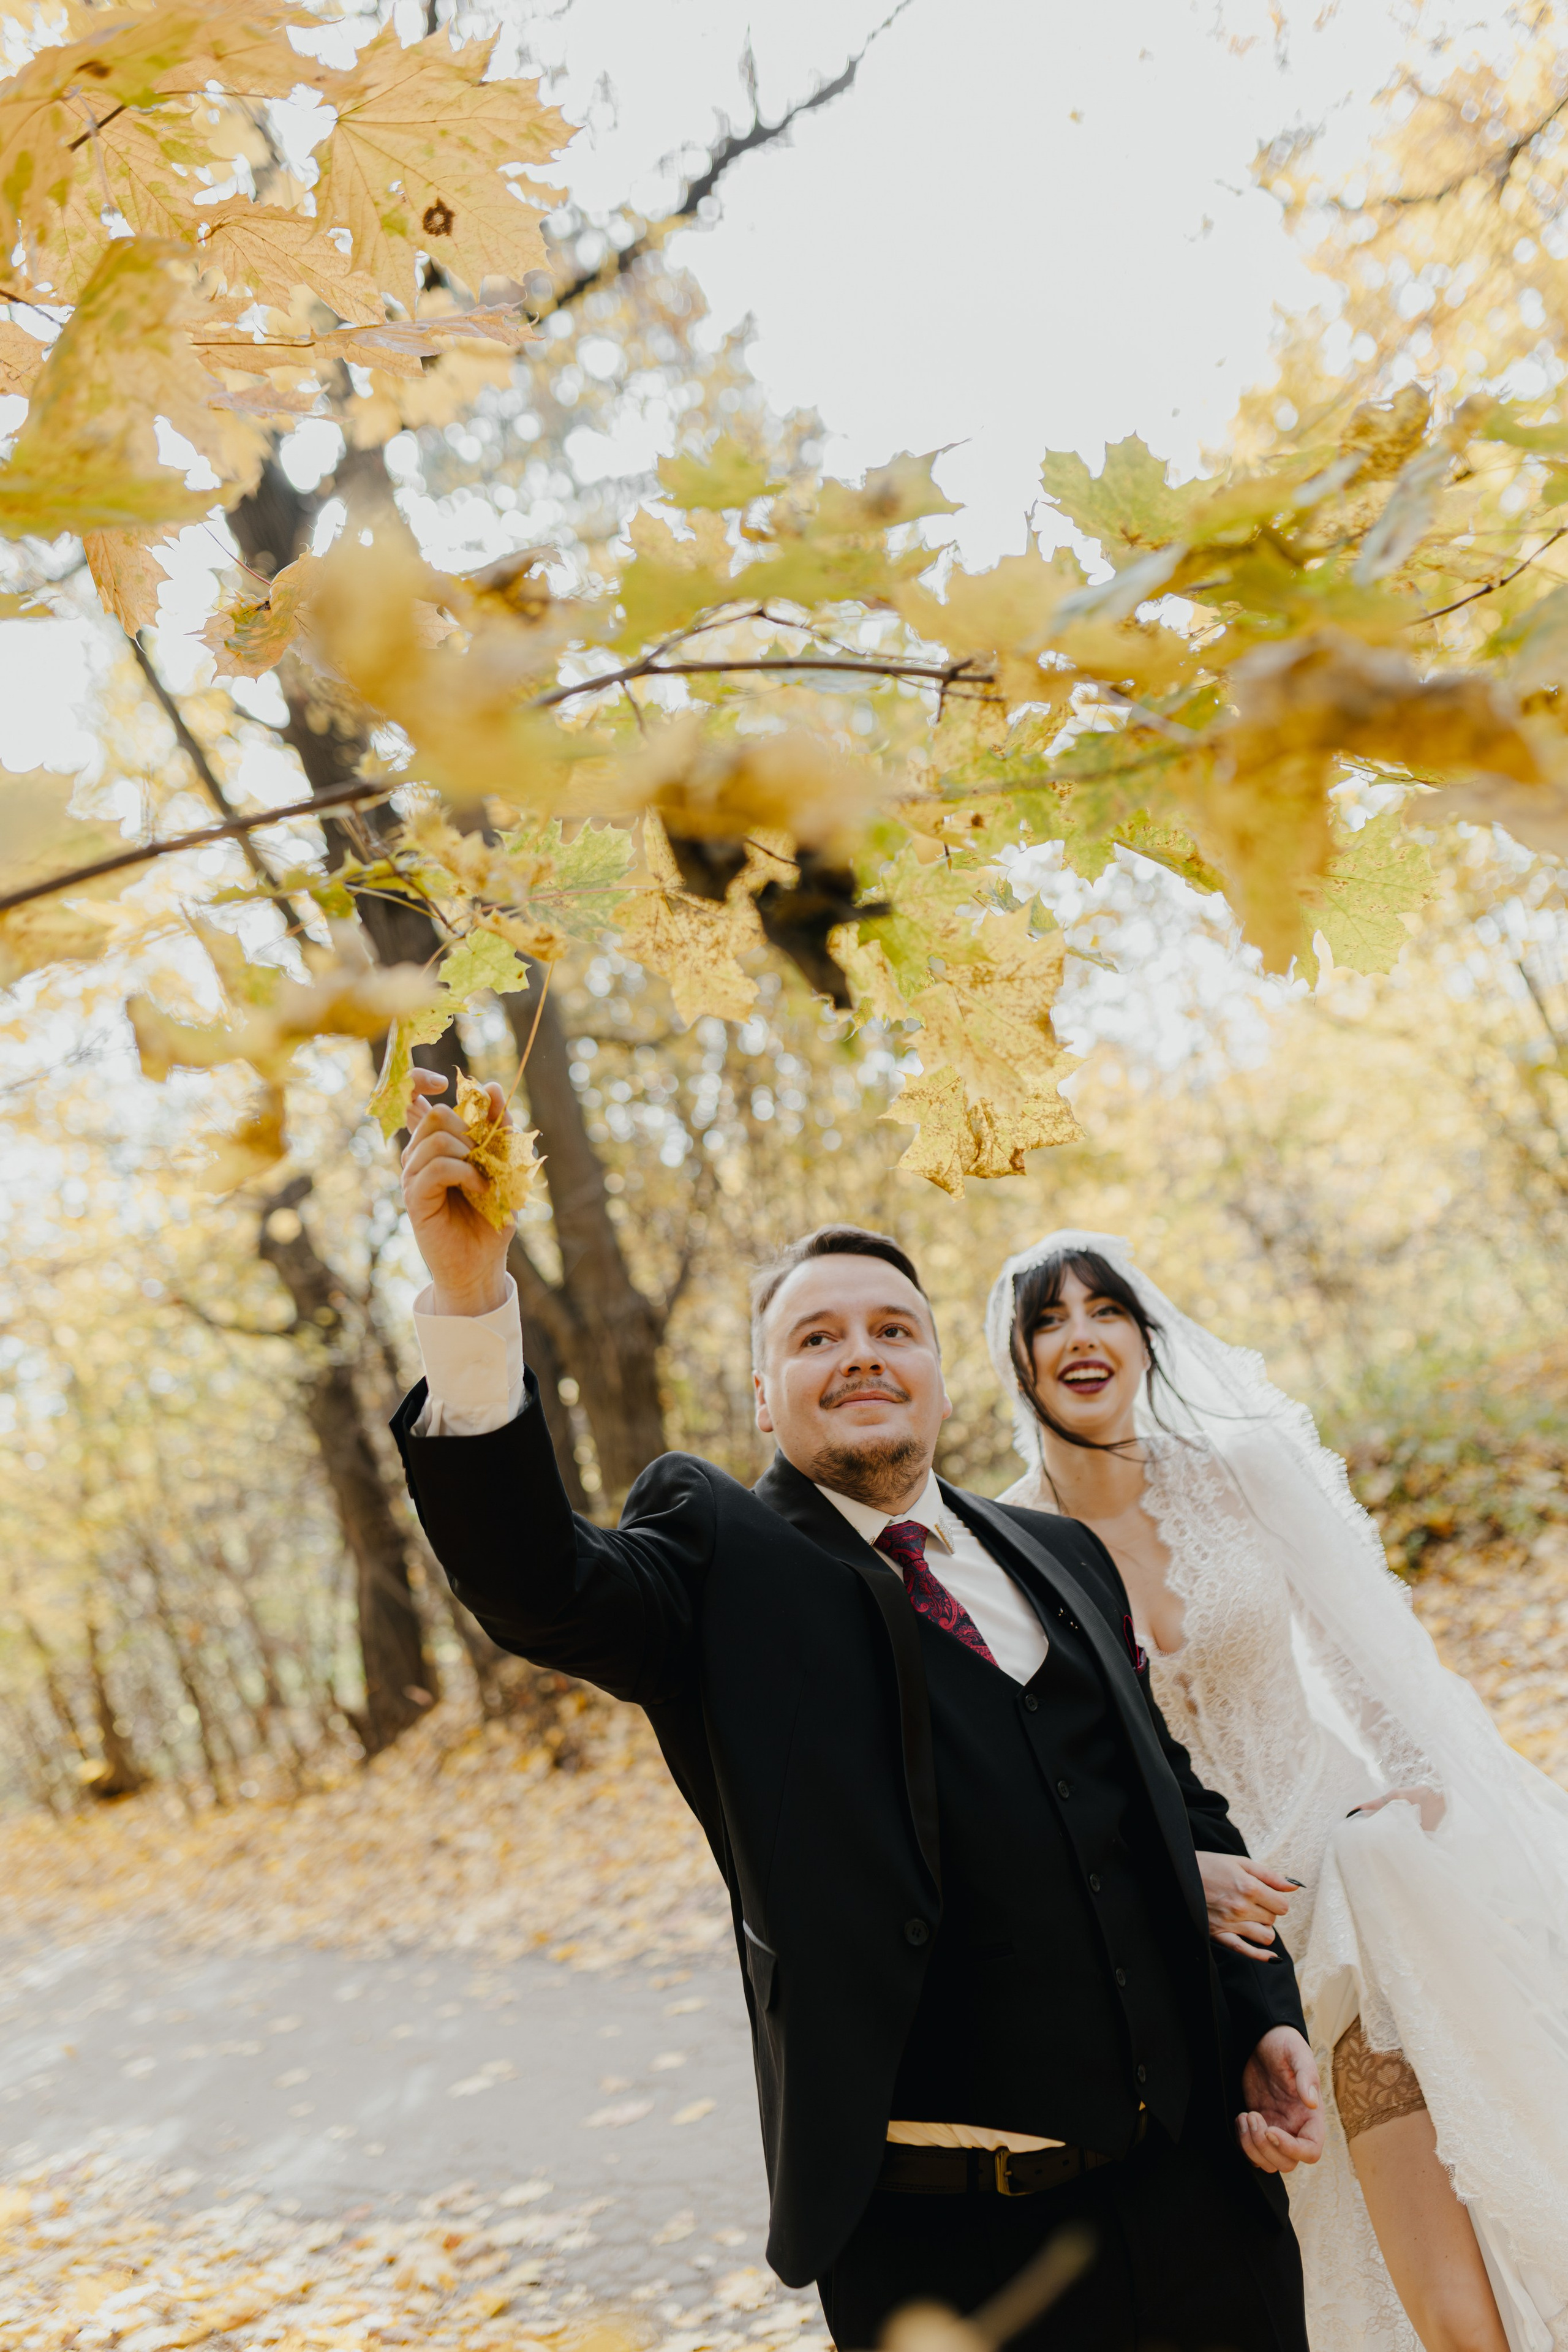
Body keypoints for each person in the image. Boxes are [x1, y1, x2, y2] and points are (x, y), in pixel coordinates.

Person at [391, 1072, 1322, 2352]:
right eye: (815, 1337)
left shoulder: (1061, 1554)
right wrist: (465, 1300)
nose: (861, 1354)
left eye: (894, 1329)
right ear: (764, 1396)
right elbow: (540, 1590)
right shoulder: (717, 1557)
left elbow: (1175, 1799)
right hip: (949, 2253)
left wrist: (1260, 2019)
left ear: (940, 1378)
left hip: (1201, 2204)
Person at [986, 1229, 1568, 2352]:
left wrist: (1424, 1794)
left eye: (1104, 1309)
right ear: (1018, 1362)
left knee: (1449, 2272)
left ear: (1145, 1336)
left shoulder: (1237, 1476)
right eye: (1048, 1319)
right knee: (1314, 2261)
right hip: (1209, 1944)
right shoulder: (1004, 1545)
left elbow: (1368, 1652)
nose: (1082, 1336)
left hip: (1354, 1884)